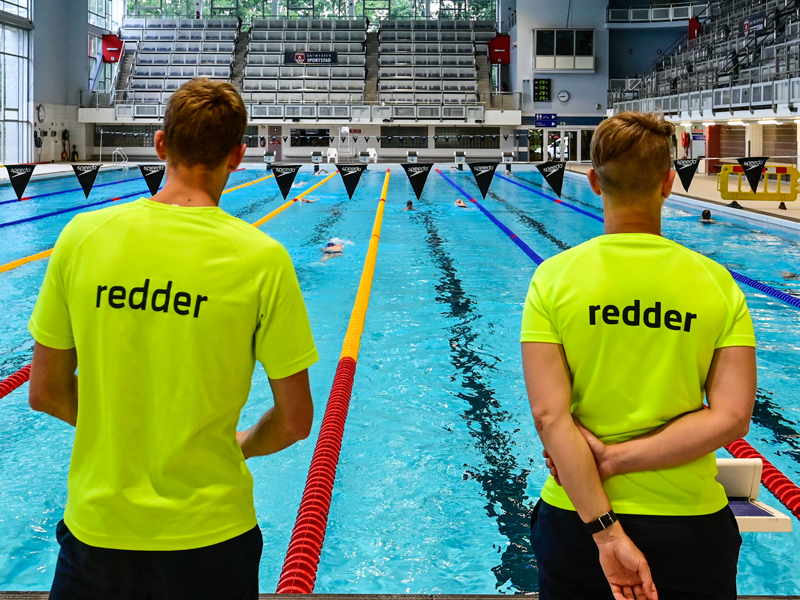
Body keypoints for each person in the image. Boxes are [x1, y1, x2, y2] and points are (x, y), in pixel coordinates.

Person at [28, 78, 318, 600]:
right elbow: (296, 420)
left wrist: (123, 429)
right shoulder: (262, 259)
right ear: (238, 154)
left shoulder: (81, 238)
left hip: (99, 534)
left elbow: (44, 390)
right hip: (212, 537)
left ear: (161, 144)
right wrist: (243, 447)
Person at [521, 111, 756, 600]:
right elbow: (733, 417)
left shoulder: (554, 279)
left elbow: (549, 415)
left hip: (578, 519)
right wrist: (618, 459)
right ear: (669, 183)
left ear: (592, 182)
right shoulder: (718, 283)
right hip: (689, 525)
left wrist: (607, 530)